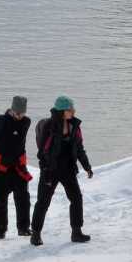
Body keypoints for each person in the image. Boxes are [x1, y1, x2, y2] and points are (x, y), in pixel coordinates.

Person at [30, 96, 93, 246]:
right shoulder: (49, 126)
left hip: (68, 169)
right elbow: (42, 152)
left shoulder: (75, 126)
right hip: (50, 170)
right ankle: (36, 234)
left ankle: (76, 232)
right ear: (62, 111)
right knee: (43, 202)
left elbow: (79, 148)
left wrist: (87, 166)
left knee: (76, 198)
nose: (74, 111)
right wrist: (45, 168)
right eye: (70, 109)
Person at [0, 96, 33, 239]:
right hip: (1, 168)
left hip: (18, 168)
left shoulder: (26, 122)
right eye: (18, 113)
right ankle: (0, 230)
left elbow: (15, 137)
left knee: (23, 199)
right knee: (0, 200)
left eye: (22, 113)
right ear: (12, 110)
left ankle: (23, 228)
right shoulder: (0, 120)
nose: (20, 116)